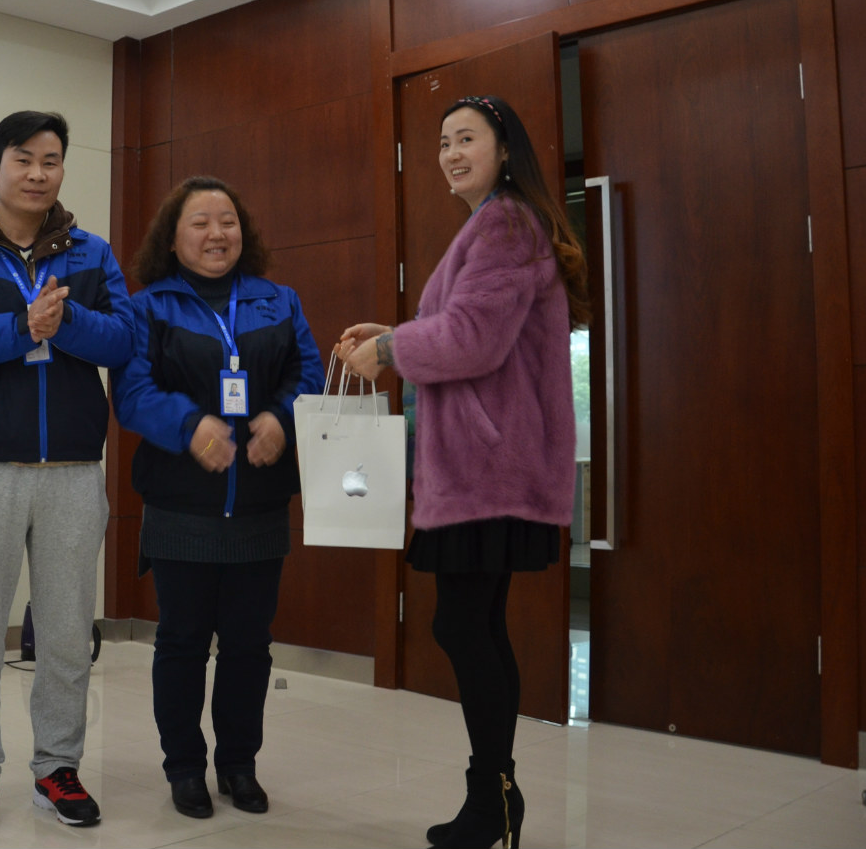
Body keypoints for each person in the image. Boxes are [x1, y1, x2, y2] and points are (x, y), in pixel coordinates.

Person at [336, 95, 588, 849]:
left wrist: (389, 351)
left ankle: (493, 798)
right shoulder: (494, 223)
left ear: (505, 150)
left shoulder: (504, 223)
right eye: (443, 141)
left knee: (462, 623)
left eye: (467, 138)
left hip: (488, 467)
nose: (450, 153)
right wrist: (398, 333)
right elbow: (474, 329)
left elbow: (475, 339)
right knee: (474, 624)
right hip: (485, 464)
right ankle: (496, 798)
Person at [0, 110, 132, 837]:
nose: (38, 173)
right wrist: (22, 327)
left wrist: (64, 322)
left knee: (67, 635)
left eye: (51, 160)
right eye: (23, 158)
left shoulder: (92, 253)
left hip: (73, 469)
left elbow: (124, 339)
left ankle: (57, 767)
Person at [112, 176, 323, 820]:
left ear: (243, 231)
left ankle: (239, 763)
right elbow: (132, 393)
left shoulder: (278, 301)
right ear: (172, 238)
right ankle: (183, 766)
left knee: (249, 645)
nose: (216, 234)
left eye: (227, 221)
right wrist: (189, 425)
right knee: (181, 643)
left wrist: (281, 419)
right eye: (199, 223)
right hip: (181, 506)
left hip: (260, 505)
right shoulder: (148, 307)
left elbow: (308, 374)